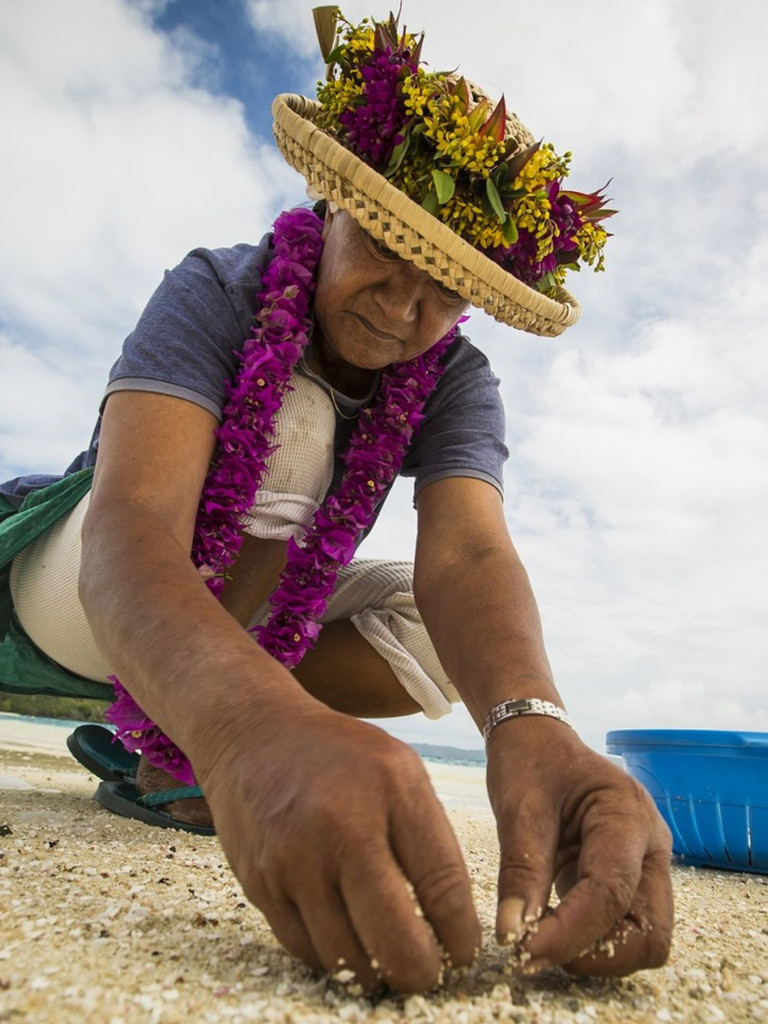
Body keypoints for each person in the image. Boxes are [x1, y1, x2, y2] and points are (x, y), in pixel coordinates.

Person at [0, 8, 673, 995]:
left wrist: (533, 721)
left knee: (453, 635)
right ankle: (187, 750)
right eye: (383, 257)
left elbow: (471, 557)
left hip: (233, 615)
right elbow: (129, 528)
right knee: (299, 423)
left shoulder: (454, 374)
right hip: (76, 588)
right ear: (327, 204)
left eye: (443, 293)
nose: (404, 312)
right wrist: (249, 728)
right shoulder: (218, 290)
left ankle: (193, 722)